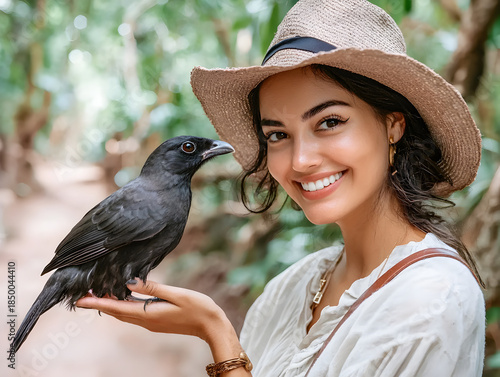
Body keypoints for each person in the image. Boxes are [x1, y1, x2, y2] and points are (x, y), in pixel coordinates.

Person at [76, 0, 486, 375]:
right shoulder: (296, 284)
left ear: (393, 125)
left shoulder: (432, 301)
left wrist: (216, 333)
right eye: (277, 135)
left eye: (329, 122)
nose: (300, 159)